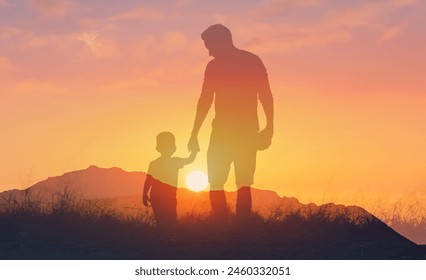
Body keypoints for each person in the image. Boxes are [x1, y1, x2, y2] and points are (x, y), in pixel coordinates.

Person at [188, 24, 274, 221]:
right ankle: (235, 228)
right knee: (241, 182)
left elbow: (205, 102)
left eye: (210, 46)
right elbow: (266, 96)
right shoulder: (250, 61)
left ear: (222, 41)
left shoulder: (219, 66)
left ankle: (225, 227)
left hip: (227, 132)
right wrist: (269, 127)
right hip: (240, 131)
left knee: (220, 181)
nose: (209, 52)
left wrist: (194, 134)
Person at [143, 131, 197, 228]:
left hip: (156, 197)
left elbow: (148, 181)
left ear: (157, 148)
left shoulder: (154, 163)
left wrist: (144, 194)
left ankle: (161, 239)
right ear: (174, 148)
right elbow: (190, 159)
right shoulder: (175, 162)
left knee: (160, 221)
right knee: (171, 221)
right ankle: (169, 239)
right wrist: (194, 150)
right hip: (168, 197)